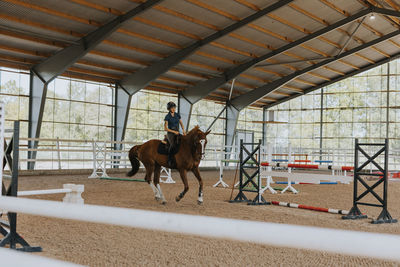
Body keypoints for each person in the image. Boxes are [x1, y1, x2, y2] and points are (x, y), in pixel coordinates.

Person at [164, 101, 186, 167]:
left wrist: (184, 130)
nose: (173, 109)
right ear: (169, 109)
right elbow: (165, 128)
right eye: (172, 108)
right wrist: (174, 132)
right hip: (170, 133)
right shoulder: (167, 116)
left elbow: (181, 123)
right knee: (173, 145)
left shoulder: (177, 115)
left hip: (177, 132)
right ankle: (169, 160)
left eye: (174, 107)